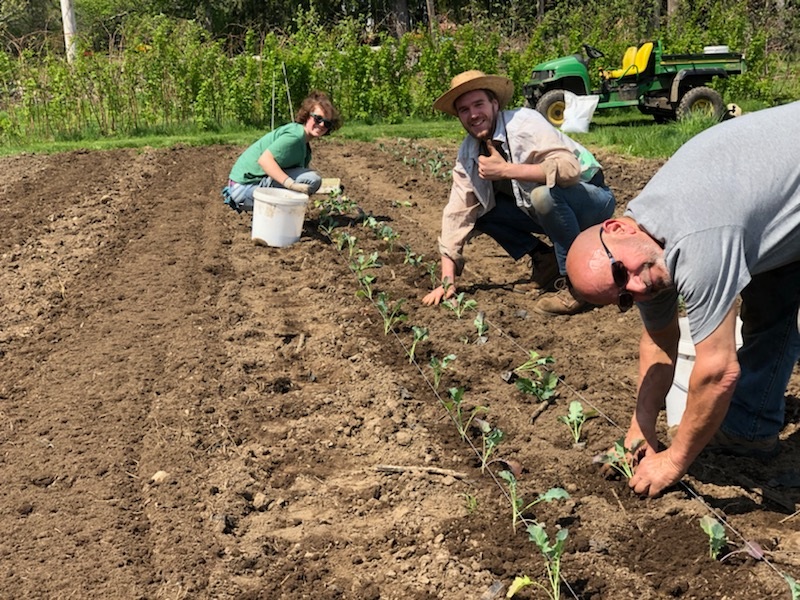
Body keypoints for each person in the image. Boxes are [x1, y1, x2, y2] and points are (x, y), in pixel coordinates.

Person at [565, 101, 800, 498]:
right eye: (623, 298)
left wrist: (674, 460)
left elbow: (718, 372)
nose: (636, 290)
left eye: (622, 274)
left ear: (618, 227)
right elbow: (659, 340)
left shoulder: (695, 239)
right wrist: (641, 431)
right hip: (776, 208)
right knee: (770, 299)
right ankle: (749, 429)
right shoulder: (644, 248)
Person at [421, 70, 616, 315]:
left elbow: (569, 170)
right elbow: (457, 212)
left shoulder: (524, 123)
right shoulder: (470, 152)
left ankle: (578, 285)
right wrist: (447, 282)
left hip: (590, 201)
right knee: (481, 211)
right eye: (464, 110)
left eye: (478, 104)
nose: (473, 115)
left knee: (543, 195)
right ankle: (546, 262)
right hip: (549, 212)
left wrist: (506, 170)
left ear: (494, 104)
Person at [222, 90, 342, 213]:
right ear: (307, 116)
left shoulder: (304, 145)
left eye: (327, 123)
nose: (321, 125)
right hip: (242, 189)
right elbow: (264, 160)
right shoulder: (295, 136)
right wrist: (290, 184)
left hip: (249, 186)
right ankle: (280, 217)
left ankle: (281, 217)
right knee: (312, 179)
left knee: (309, 177)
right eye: (317, 119)